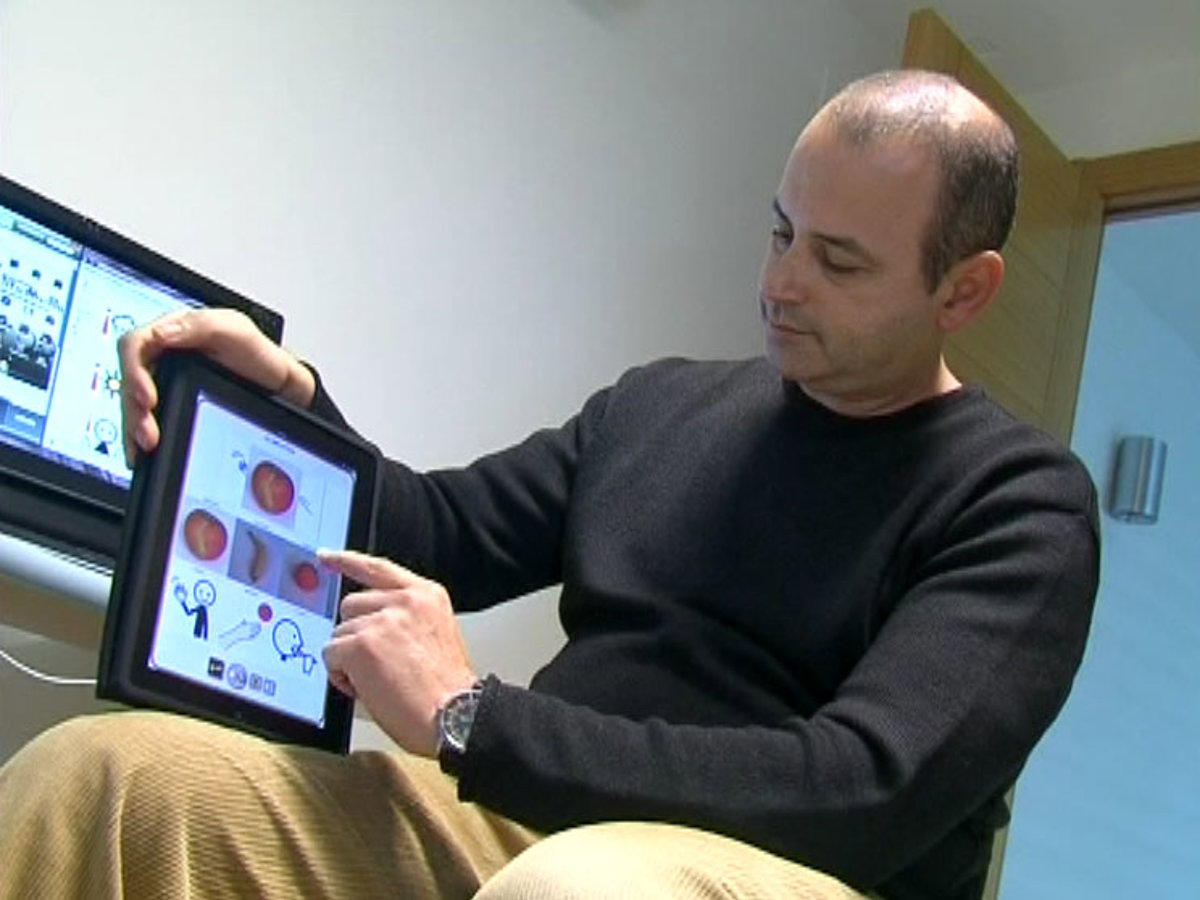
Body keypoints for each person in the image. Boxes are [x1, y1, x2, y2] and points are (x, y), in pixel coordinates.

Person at [0, 69, 1099, 900]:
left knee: (578, 888)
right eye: (780, 233)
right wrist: (288, 405)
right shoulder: (660, 407)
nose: (781, 283)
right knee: (106, 776)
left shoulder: (1019, 506)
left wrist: (478, 722)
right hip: (537, 829)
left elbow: (861, 790)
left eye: (839, 261)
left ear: (964, 292)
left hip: (768, 874)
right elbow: (439, 531)